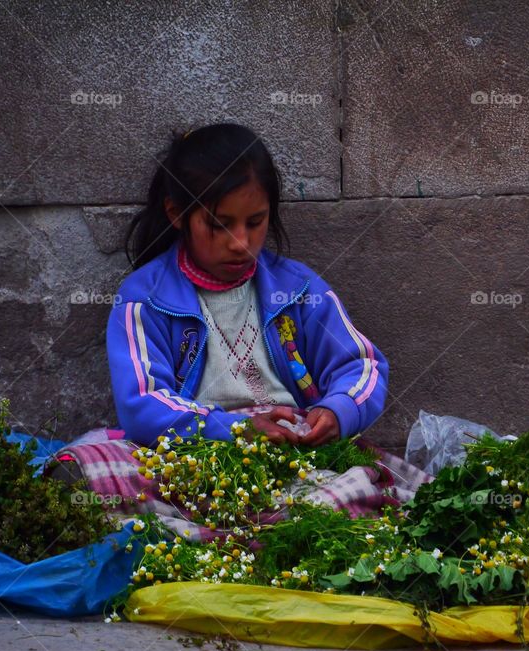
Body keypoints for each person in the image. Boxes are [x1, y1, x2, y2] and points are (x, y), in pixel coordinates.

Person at [109, 122, 388, 447]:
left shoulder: (300, 291)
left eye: (255, 222)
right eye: (219, 224)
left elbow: (362, 366)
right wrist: (236, 429)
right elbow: (141, 405)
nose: (240, 242)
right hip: (197, 452)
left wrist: (338, 411)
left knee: (359, 486)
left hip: (295, 451)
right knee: (104, 462)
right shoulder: (144, 300)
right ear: (176, 213)